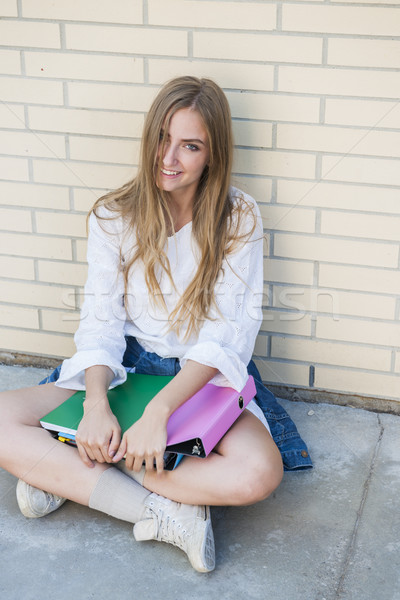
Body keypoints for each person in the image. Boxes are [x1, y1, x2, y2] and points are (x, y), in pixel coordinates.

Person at [0, 76, 307, 574]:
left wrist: (158, 414)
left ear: (213, 153)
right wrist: (97, 406)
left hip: (200, 375)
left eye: (190, 145)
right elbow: (100, 324)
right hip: (125, 365)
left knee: (258, 474)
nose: (169, 158)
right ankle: (161, 511)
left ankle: (67, 472)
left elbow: (226, 335)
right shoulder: (113, 216)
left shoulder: (240, 217)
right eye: (163, 138)